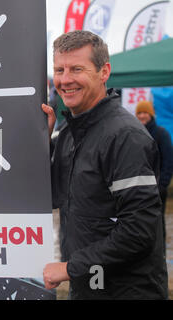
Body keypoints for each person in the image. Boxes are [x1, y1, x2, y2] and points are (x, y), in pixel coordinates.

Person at [41, 31, 168, 299]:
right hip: (89, 288)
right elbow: (52, 197)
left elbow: (139, 231)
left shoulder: (124, 136)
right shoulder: (68, 134)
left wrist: (70, 267)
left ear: (104, 71)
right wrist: (43, 144)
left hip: (126, 292)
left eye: (77, 69)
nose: (65, 79)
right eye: (59, 70)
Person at [135, 100, 173, 252]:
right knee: (138, 222)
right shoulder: (133, 132)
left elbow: (169, 160)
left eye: (145, 113)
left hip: (157, 188)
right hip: (137, 189)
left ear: (151, 114)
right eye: (139, 113)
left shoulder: (161, 133)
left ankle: (160, 252)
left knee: (157, 222)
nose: (142, 116)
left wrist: (162, 185)